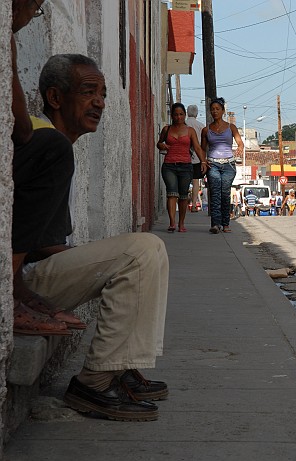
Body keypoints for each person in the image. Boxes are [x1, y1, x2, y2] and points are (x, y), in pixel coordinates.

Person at [12, 53, 169, 421]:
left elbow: (41, 238)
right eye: (88, 91)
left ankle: (118, 364)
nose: (99, 102)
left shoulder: (56, 145)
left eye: (103, 93)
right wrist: (15, 295)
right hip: (17, 283)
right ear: (55, 97)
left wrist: (95, 261)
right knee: (143, 250)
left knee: (144, 254)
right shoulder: (47, 143)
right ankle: (94, 383)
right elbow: (19, 243)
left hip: (33, 271)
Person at [157, 103, 206, 232]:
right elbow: (159, 143)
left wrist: (203, 162)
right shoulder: (166, 129)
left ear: (185, 115)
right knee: (172, 193)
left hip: (186, 166)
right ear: (172, 116)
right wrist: (162, 146)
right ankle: (172, 223)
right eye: (176, 114)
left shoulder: (190, 131)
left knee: (183, 196)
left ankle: (182, 223)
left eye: (181, 114)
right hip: (169, 166)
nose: (178, 117)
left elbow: (197, 147)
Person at [201, 97, 243, 233]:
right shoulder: (206, 130)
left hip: (229, 165)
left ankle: (225, 223)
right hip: (212, 164)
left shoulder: (231, 127)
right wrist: (203, 161)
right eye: (212, 109)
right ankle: (215, 224)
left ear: (223, 111)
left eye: (217, 109)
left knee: (225, 193)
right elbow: (202, 149)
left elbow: (239, 142)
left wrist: (240, 148)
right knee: (215, 194)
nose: (215, 112)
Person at [185, 104, 205, 212]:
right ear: (196, 114)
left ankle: (183, 205)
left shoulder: (184, 124)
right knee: (195, 181)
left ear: (187, 113)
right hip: (197, 157)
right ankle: (193, 205)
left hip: (184, 156)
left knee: (184, 181)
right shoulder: (201, 126)